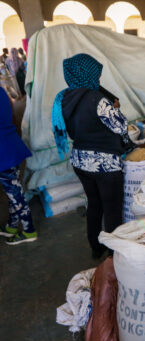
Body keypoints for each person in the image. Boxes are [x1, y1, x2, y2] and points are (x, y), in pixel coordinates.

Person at [51, 53, 132, 259]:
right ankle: (115, 254)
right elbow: (120, 126)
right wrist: (116, 109)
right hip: (104, 165)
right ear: (87, 74)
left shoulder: (63, 98)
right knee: (112, 209)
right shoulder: (97, 99)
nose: (98, 80)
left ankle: (96, 248)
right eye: (96, 75)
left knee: (94, 204)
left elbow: (69, 130)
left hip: (80, 160)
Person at [0, 86, 37, 244]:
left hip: (3, 151)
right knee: (12, 191)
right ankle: (12, 226)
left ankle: (29, 231)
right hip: (10, 144)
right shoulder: (1, 90)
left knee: (15, 194)